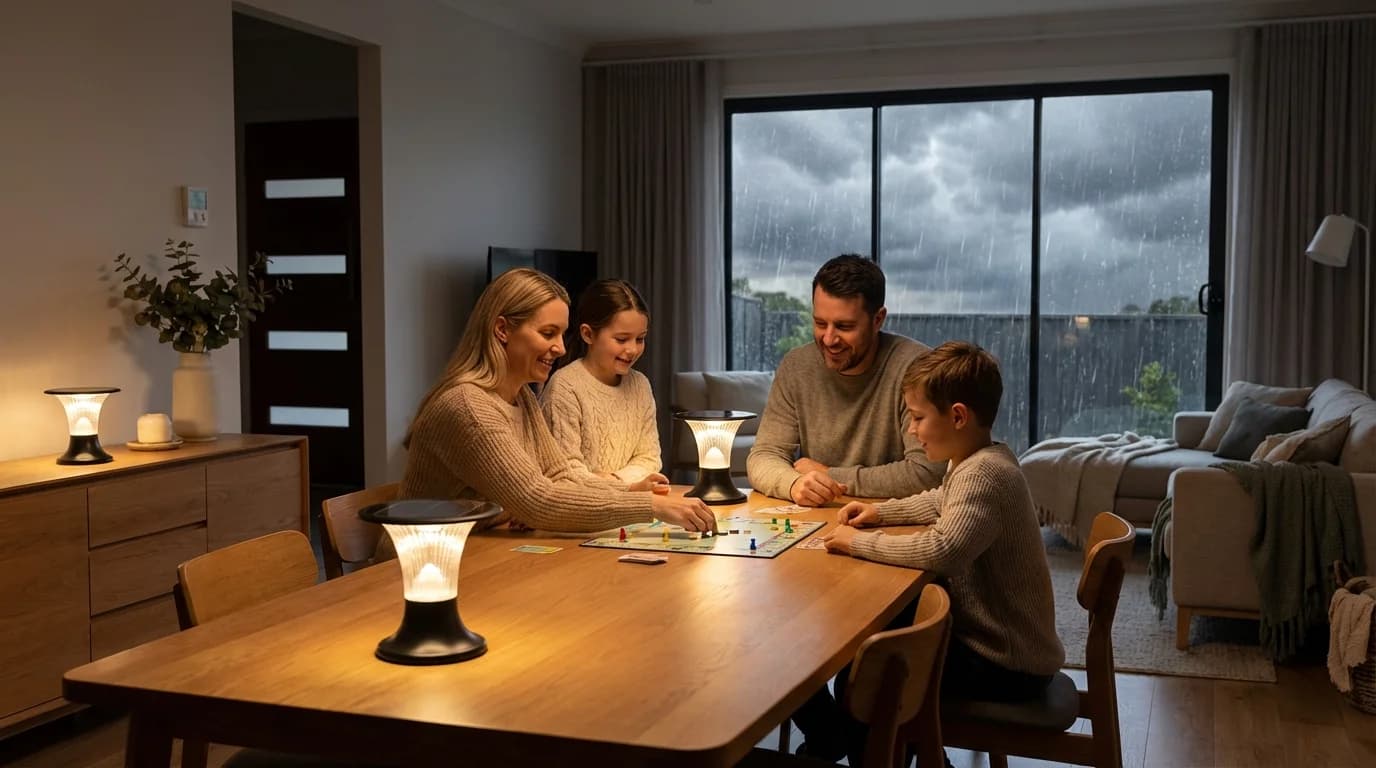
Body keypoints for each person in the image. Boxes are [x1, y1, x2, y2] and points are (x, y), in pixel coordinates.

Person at [811, 341, 1064, 764]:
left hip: (1006, 664)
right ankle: (889, 748)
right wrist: (880, 512)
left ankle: (849, 744)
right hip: (997, 649)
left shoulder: (985, 474)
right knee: (875, 654)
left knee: (865, 677)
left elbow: (944, 550)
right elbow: (938, 501)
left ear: (958, 416)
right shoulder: (977, 458)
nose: (911, 430)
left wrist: (860, 544)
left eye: (918, 417)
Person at [398, 267, 715, 534]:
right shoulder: (469, 407)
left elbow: (561, 478)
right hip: (418, 567)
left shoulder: (522, 397)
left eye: (562, 335)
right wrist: (650, 505)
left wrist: (630, 491)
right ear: (502, 330)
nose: (562, 348)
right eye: (548, 333)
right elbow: (539, 500)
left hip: (476, 551)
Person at [746, 254, 944, 507]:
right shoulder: (797, 366)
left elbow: (927, 473)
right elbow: (764, 456)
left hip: (893, 521)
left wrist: (830, 475)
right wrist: (794, 484)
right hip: (822, 517)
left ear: (878, 319)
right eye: (820, 323)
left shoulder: (917, 368)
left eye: (844, 326)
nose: (828, 339)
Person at [542, 279, 661, 483]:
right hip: (583, 512)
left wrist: (614, 480)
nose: (632, 349)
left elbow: (650, 458)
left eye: (640, 339)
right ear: (588, 334)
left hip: (629, 505)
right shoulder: (565, 387)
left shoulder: (640, 385)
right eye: (622, 339)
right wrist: (626, 486)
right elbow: (567, 472)